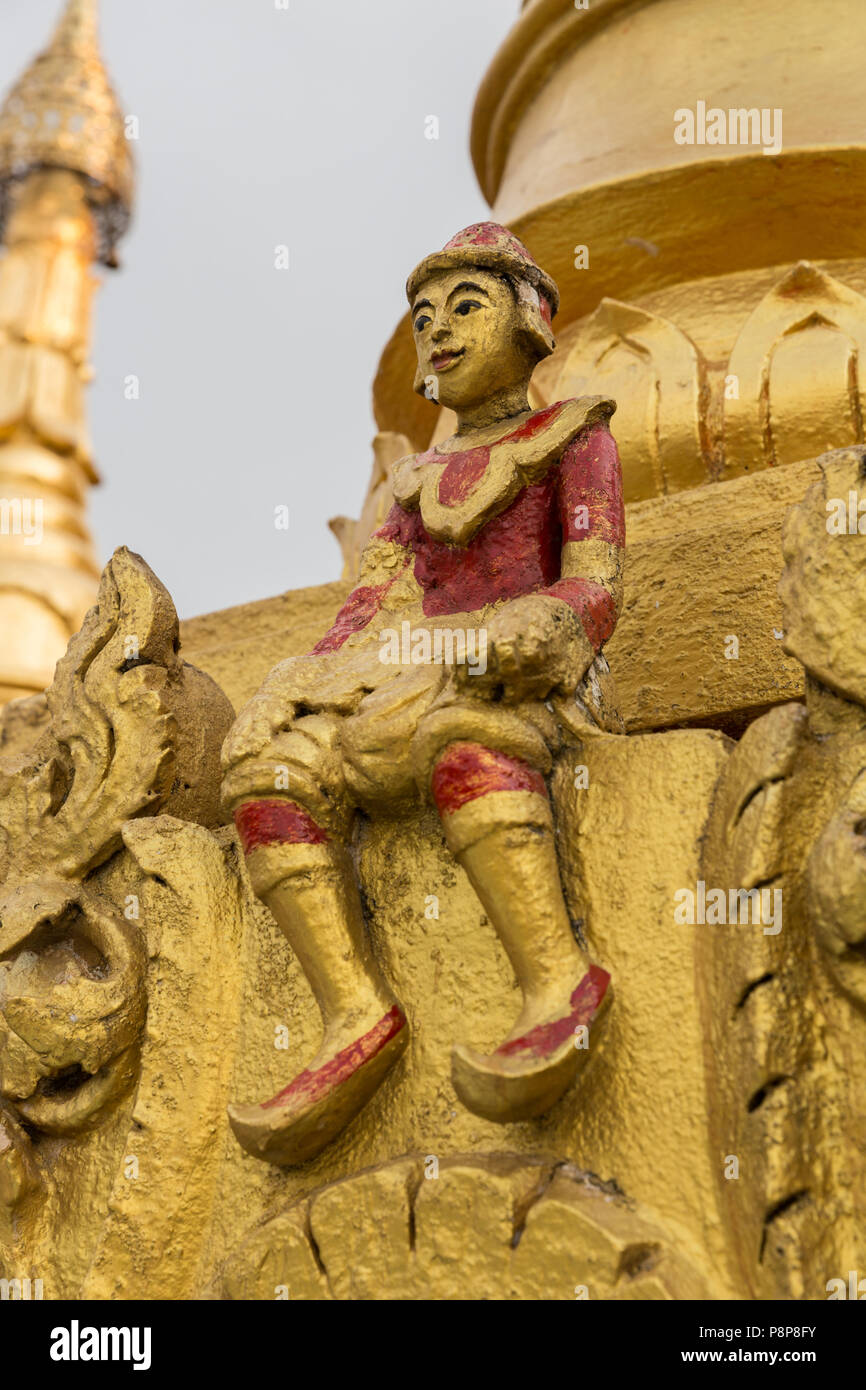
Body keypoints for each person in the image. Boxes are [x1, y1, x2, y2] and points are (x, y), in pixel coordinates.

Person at [221, 222, 625, 1165]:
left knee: (463, 742)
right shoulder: (414, 483)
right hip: (397, 671)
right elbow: (368, 604)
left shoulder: (574, 438)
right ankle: (352, 1012)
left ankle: (554, 981)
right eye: (422, 318)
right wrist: (300, 680)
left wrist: (548, 623)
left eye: (466, 308)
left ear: (531, 321)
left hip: (502, 669)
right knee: (272, 772)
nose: (439, 332)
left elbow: (596, 579)